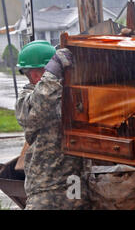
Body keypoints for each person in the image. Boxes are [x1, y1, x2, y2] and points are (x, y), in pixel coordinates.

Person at [15, 41, 90, 210]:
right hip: (47, 190)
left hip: (76, 185)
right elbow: (39, 105)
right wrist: (53, 71)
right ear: (35, 75)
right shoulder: (26, 100)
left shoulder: (68, 92)